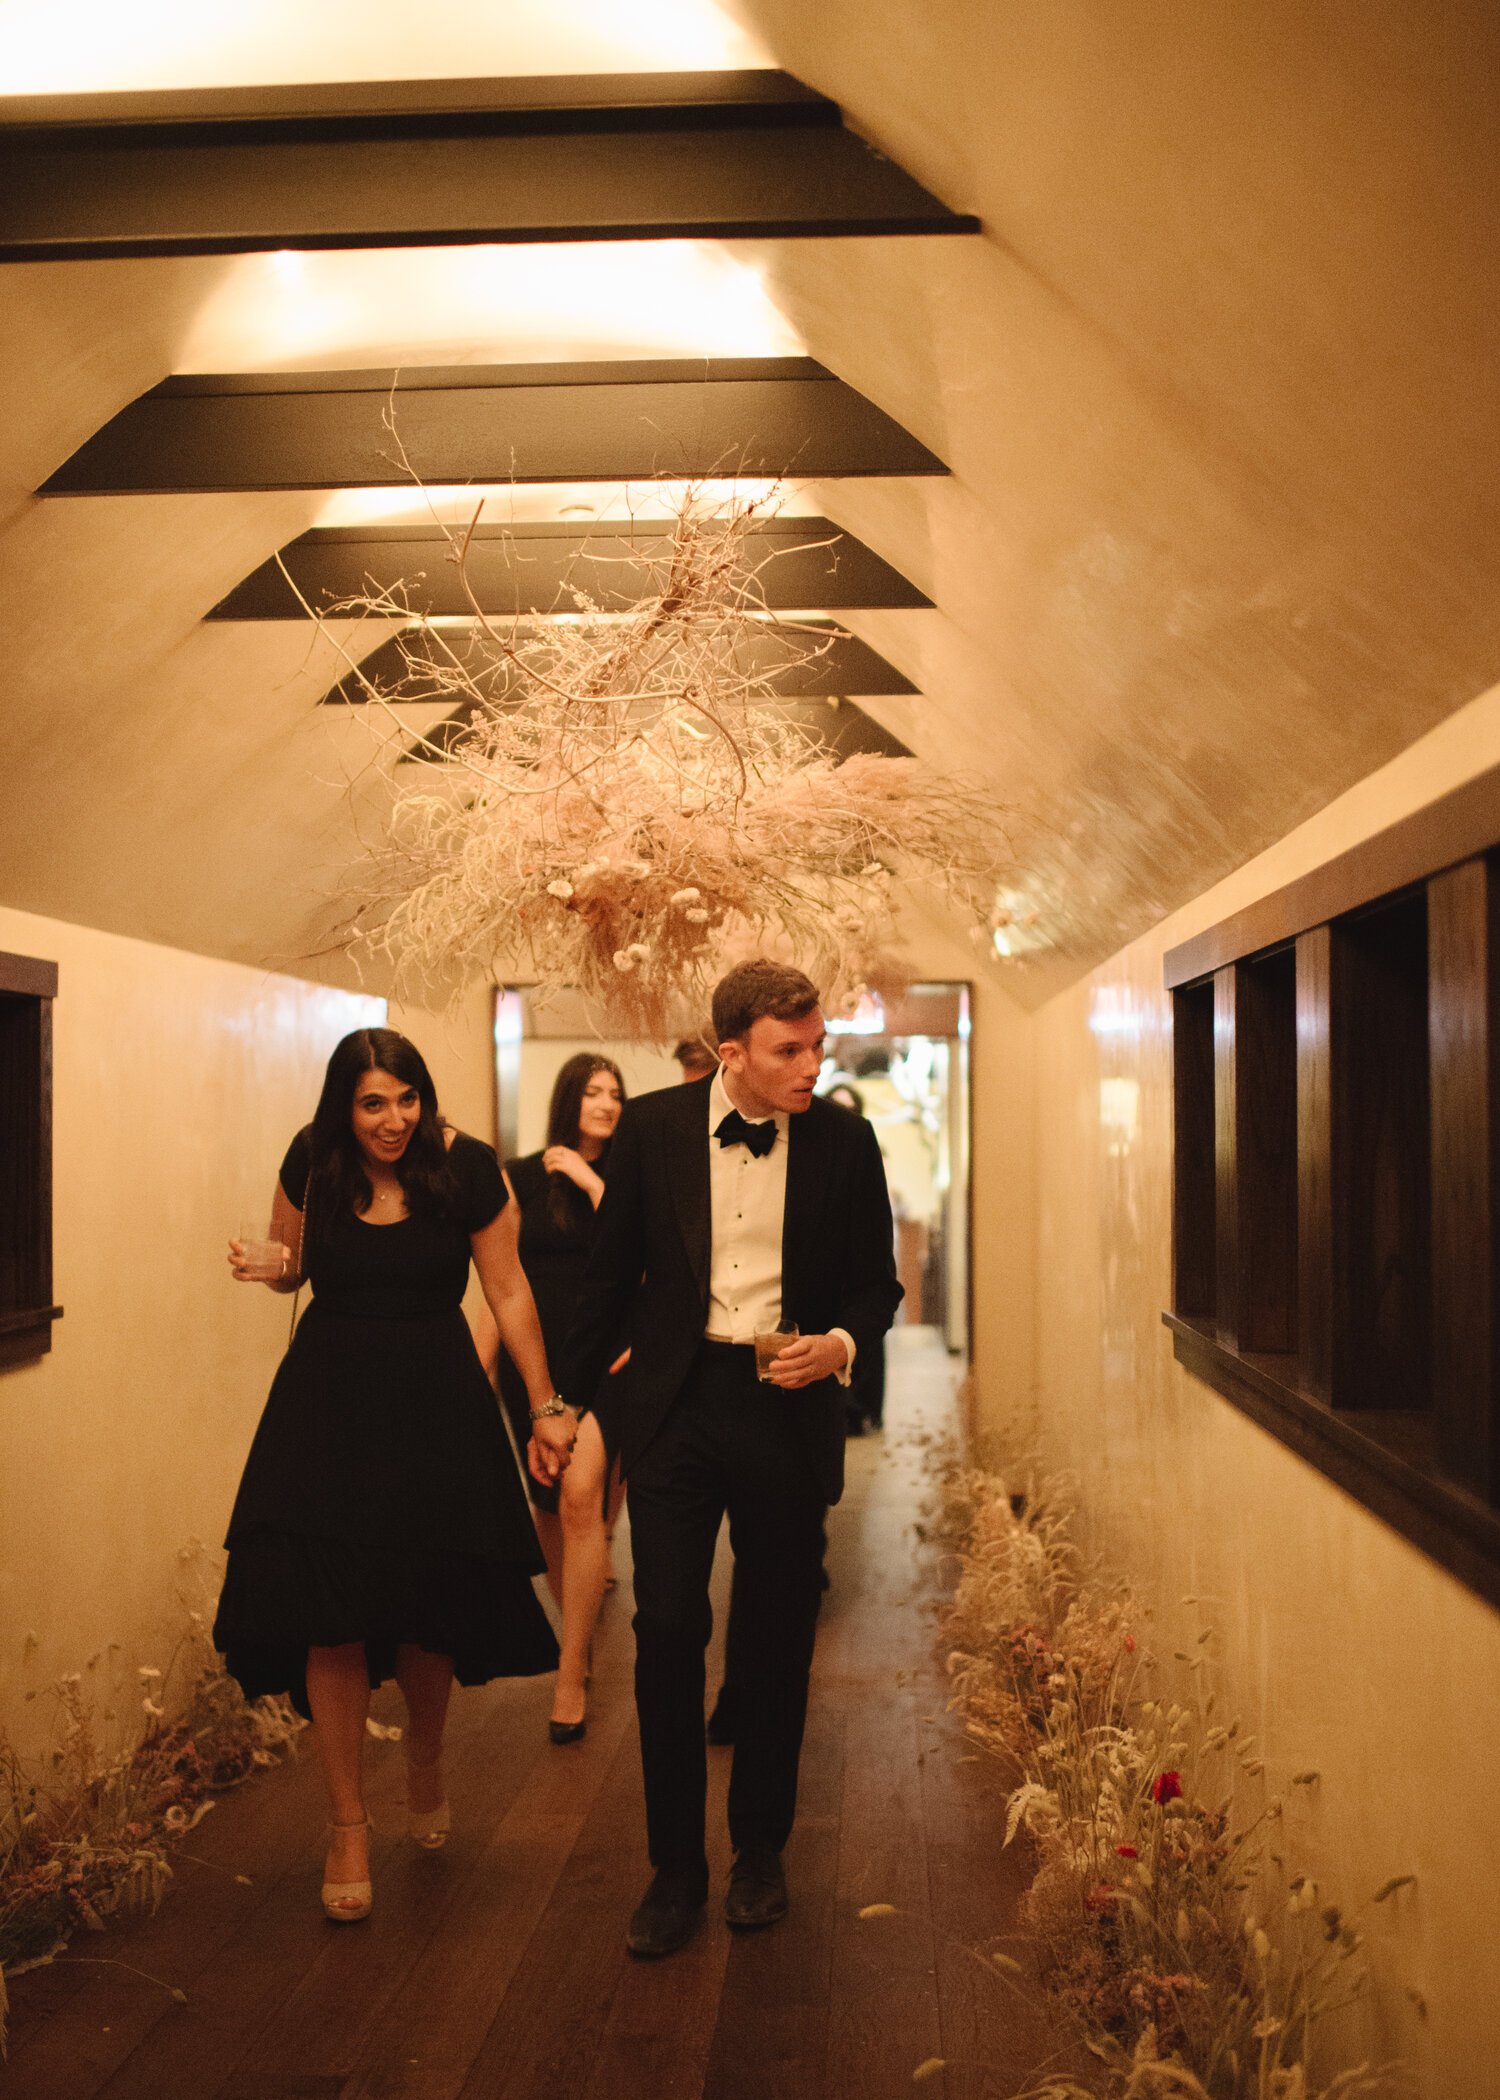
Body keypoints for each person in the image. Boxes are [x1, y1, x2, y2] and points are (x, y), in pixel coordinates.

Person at [560, 960, 902, 1958]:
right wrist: (563, 1405)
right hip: (676, 1403)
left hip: (788, 1406)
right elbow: (605, 1280)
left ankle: (760, 1850)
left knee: (776, 1632)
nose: (812, 1065)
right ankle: (674, 1871)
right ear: (731, 1052)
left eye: (818, 1046)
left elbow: (876, 1287)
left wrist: (838, 1347)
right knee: (667, 1624)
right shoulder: (654, 1129)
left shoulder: (844, 1141)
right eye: (790, 1050)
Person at [214, 1027, 575, 1925]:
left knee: (426, 1611)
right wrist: (273, 1267)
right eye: (373, 1103)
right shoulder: (313, 1158)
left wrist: (544, 1402)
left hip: (435, 1405)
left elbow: (508, 1290)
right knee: (328, 1615)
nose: (393, 1119)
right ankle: (347, 1823)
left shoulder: (466, 1167)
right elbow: (294, 1265)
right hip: (327, 1406)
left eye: (407, 1099)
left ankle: (424, 1756)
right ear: (344, 1105)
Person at [487, 1053, 627, 1745]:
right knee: (547, 1507)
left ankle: (569, 1675)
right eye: (593, 1091)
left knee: (579, 1499)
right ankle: (580, 1632)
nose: (606, 1103)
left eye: (615, 1094)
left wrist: (590, 1179)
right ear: (569, 1098)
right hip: (536, 1368)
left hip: (609, 1363)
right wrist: (477, 1372)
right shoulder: (517, 1177)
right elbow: (501, 1280)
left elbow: (650, 1257)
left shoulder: (630, 1177)